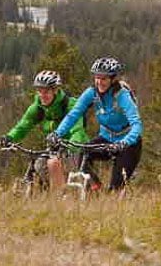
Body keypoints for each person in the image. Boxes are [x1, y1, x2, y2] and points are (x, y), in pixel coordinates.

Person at [48, 57, 143, 191]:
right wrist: (57, 133)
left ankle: (114, 196)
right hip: (106, 139)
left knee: (115, 190)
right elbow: (73, 115)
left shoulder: (122, 95)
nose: (99, 82)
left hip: (128, 144)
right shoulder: (91, 93)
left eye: (104, 78)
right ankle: (95, 188)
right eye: (97, 77)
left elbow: (137, 125)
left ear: (112, 79)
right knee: (83, 154)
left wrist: (125, 142)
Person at [0, 70, 89, 190]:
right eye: (39, 91)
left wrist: (71, 147)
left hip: (74, 146)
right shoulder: (38, 107)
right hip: (54, 147)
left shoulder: (70, 105)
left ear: (55, 90)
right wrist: (9, 137)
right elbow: (24, 125)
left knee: (58, 167)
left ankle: (64, 198)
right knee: (39, 165)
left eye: (46, 91)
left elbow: (78, 130)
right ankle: (57, 195)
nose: (42, 95)